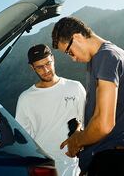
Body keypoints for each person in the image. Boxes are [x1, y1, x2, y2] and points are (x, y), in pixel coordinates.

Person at [51, 17, 124, 176]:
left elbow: (104, 124)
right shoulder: (111, 55)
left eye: (69, 52)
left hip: (113, 162)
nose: (72, 58)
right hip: (117, 159)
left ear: (77, 37)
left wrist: (76, 140)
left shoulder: (105, 57)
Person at [15, 44, 86, 176]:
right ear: (32, 67)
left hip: (73, 165)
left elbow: (87, 122)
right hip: (43, 168)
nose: (46, 69)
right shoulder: (25, 98)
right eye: (40, 67)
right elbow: (23, 139)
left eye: (48, 63)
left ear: (53, 59)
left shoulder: (75, 87)